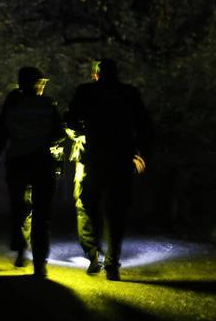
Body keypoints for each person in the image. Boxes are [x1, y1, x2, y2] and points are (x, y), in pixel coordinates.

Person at [65, 58, 152, 280]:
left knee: (85, 206)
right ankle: (112, 264)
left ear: (96, 74)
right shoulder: (129, 93)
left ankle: (93, 255)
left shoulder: (85, 92)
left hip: (90, 159)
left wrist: (81, 136)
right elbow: (144, 124)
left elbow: (70, 121)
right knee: (116, 211)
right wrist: (139, 153)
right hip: (121, 159)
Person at [0, 66, 66, 278]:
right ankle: (39, 264)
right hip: (42, 164)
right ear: (34, 84)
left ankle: (20, 249)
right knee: (42, 215)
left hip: (18, 163)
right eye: (41, 83)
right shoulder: (47, 104)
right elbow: (59, 134)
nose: (44, 87)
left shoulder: (12, 105)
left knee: (19, 210)